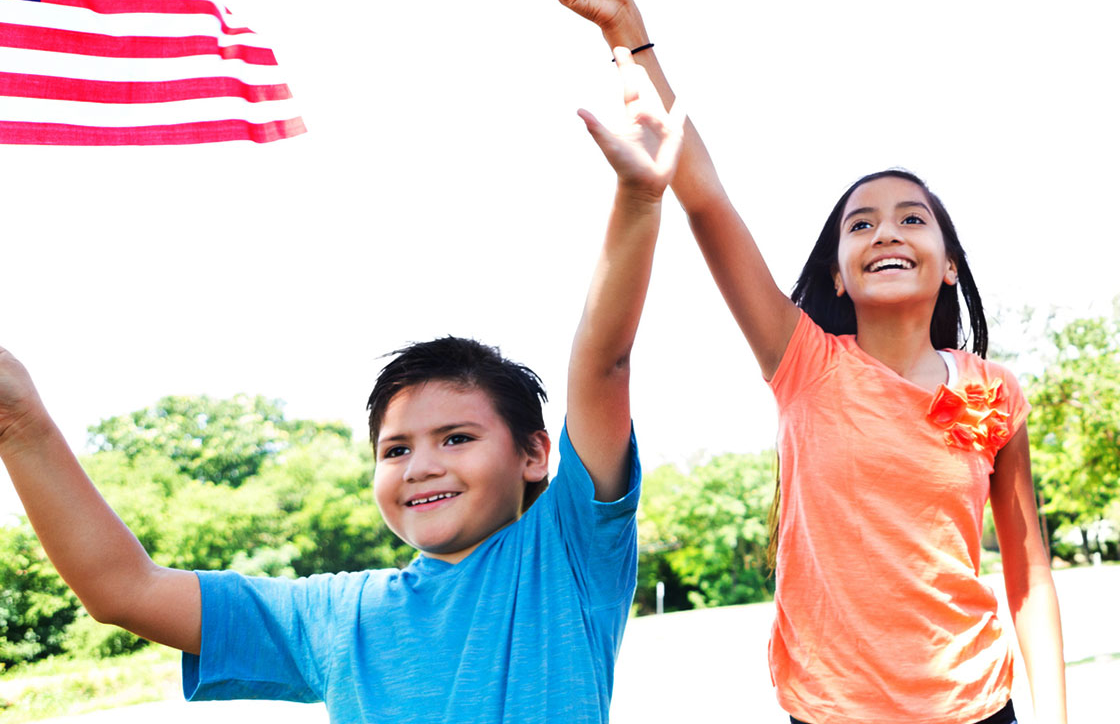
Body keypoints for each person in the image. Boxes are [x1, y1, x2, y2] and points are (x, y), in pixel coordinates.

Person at [0, 47, 682, 722]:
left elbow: (602, 363)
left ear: (535, 453)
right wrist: (20, 421)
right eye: (395, 450)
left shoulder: (566, 551)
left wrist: (639, 200)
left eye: (457, 436)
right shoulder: (337, 615)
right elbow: (124, 588)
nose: (421, 466)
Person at [545, 0, 1067, 724]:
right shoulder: (804, 363)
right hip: (830, 712)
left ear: (949, 265)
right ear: (837, 273)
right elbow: (707, 197)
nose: (887, 232)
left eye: (911, 218)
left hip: (976, 708)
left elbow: (1027, 568)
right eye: (861, 224)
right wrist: (629, 34)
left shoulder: (995, 393)